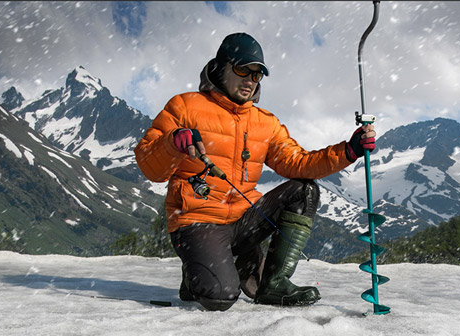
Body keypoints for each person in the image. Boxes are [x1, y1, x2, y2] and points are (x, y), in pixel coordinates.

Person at [135, 32, 375, 311]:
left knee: (303, 190)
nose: (250, 79)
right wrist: (172, 141)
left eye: (258, 74)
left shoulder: (265, 123)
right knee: (219, 297)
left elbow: (298, 163)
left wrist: (349, 150)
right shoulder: (184, 106)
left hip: (244, 221)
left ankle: (273, 284)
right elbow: (149, 166)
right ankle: (196, 277)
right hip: (196, 221)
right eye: (243, 70)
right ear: (221, 67)